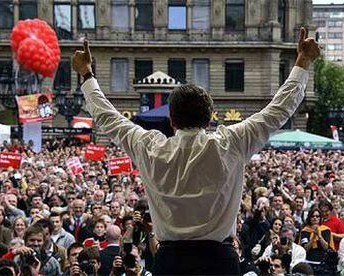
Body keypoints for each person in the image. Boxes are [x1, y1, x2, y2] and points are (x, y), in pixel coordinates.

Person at [72, 26, 320, 274]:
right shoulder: (230, 143)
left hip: (170, 263)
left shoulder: (150, 147)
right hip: (219, 262)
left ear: (171, 121)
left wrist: (86, 74)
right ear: (209, 119)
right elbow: (278, 111)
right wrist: (302, 62)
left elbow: (108, 118)